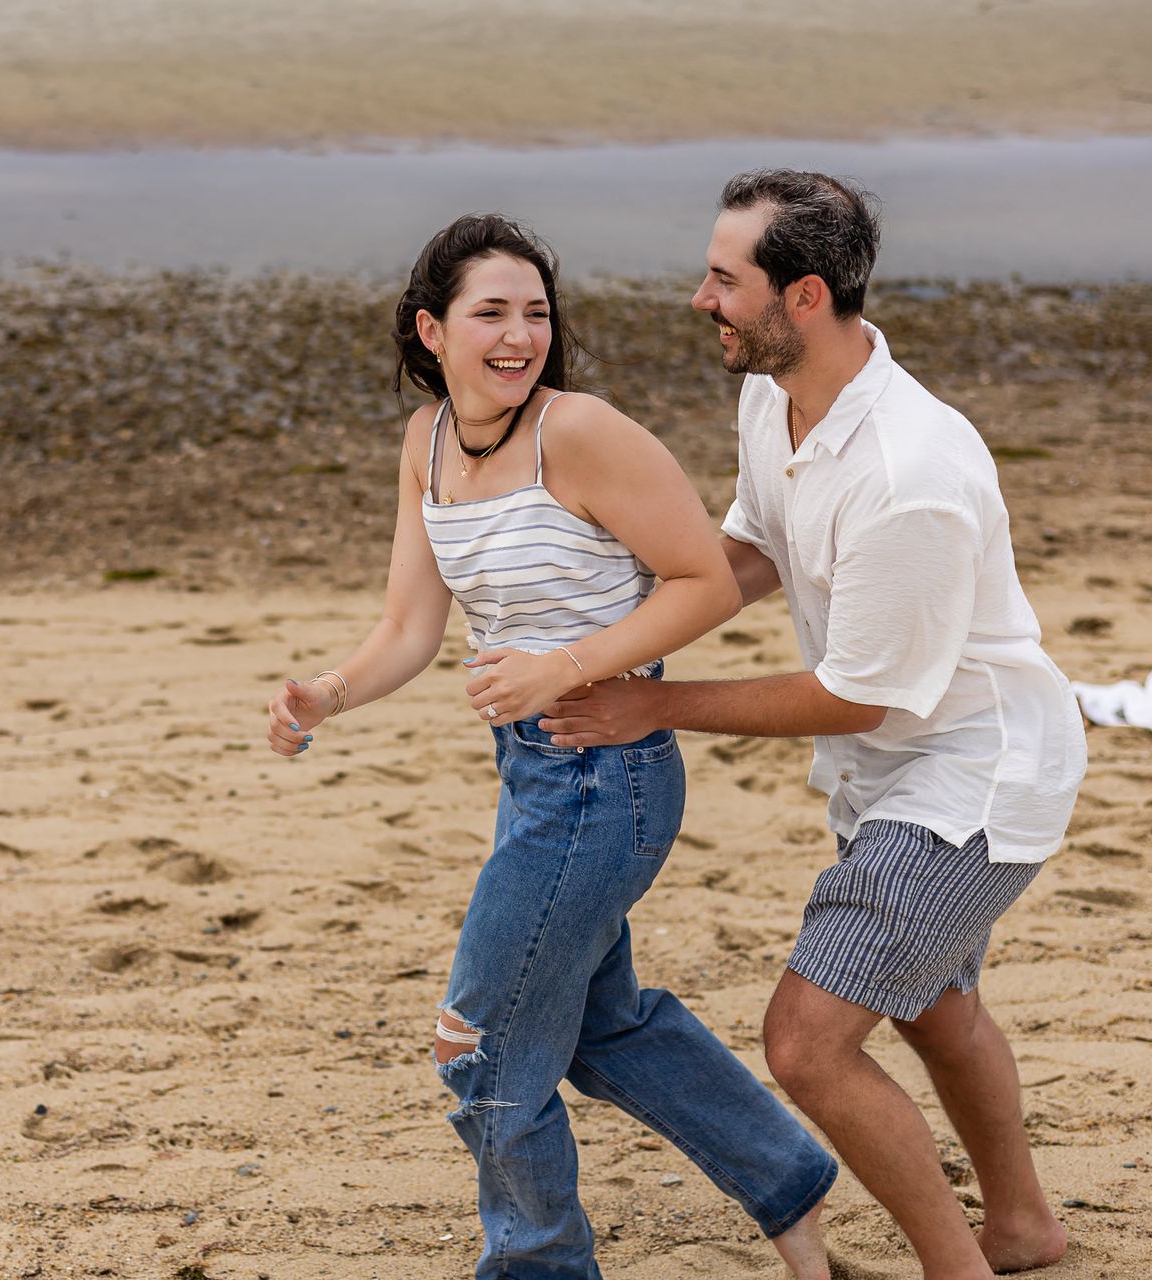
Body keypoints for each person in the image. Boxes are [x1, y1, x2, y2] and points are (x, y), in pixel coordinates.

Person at [535, 170, 1087, 1279]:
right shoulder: (777, 394)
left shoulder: (910, 473)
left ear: (805, 296)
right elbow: (752, 551)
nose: (701, 298)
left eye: (724, 280)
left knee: (806, 1043)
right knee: (933, 1007)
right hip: (892, 767)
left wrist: (654, 704)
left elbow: (855, 695)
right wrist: (607, 637)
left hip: (973, 778)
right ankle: (1022, 1225)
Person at [265, 213, 838, 1279]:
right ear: (433, 329)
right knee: (602, 1026)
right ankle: (791, 1194)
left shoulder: (579, 431)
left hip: (606, 777)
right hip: (533, 775)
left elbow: (705, 583)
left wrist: (562, 667)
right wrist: (327, 694)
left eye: (536, 312)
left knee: (478, 1047)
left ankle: (539, 1266)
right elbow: (410, 626)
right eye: (491, 312)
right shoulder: (428, 439)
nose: (520, 334)